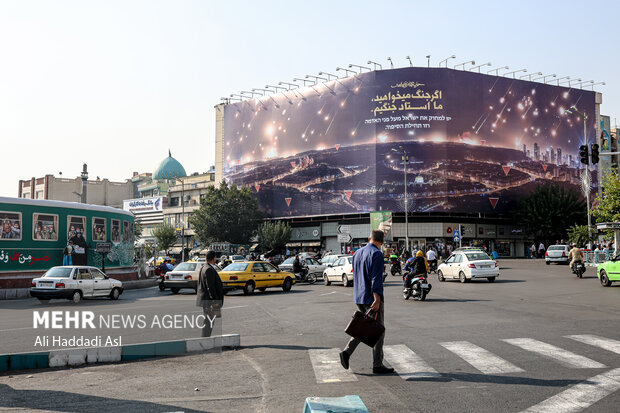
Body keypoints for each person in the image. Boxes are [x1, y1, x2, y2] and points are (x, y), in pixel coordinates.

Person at [340, 230, 394, 375]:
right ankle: (377, 364)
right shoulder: (377, 254)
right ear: (382, 243)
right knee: (378, 330)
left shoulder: (357, 253)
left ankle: (347, 352)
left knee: (364, 327)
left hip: (359, 296)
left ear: (369, 238)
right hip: (371, 298)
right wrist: (377, 299)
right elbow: (376, 278)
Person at [196, 250, 224, 337]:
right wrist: (215, 301)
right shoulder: (208, 269)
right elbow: (210, 287)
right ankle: (205, 339)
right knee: (209, 321)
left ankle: (205, 338)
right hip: (209, 301)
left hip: (206, 299)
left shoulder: (204, 267)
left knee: (209, 320)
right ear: (214, 258)